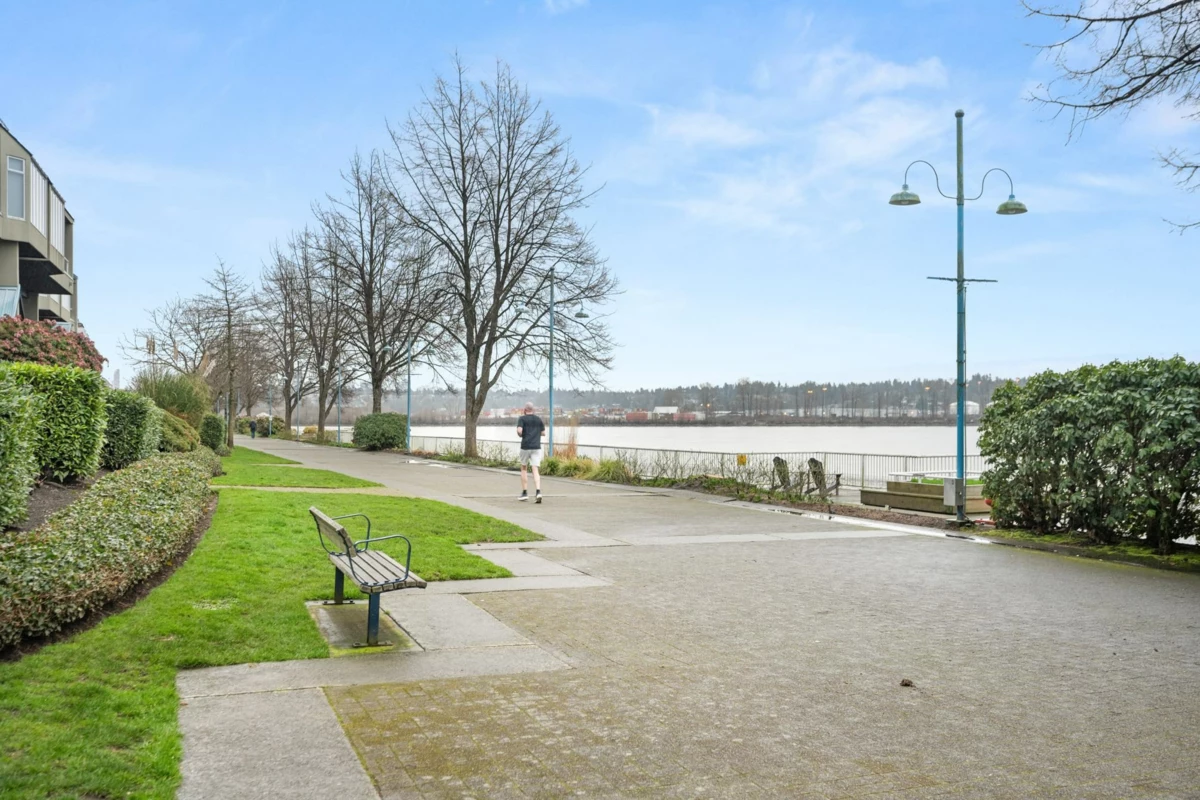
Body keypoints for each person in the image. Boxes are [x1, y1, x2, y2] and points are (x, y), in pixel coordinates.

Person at [516, 402, 546, 503]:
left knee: (524, 467)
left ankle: (525, 493)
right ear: (533, 410)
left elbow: (519, 431)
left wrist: (521, 434)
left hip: (525, 446)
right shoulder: (538, 419)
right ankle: (538, 491)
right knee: (535, 469)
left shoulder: (522, 419)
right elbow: (543, 433)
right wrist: (535, 433)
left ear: (525, 410)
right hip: (536, 447)